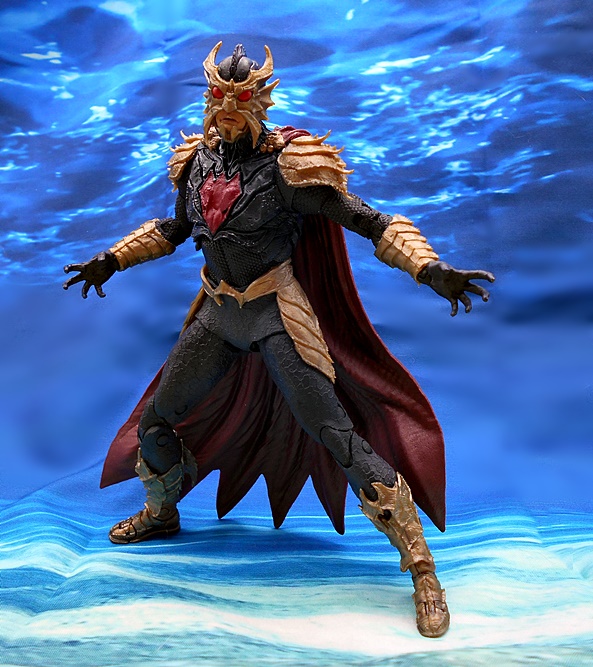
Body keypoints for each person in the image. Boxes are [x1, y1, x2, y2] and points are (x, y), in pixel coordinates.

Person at [63, 42, 494, 638]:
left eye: (239, 99)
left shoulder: (291, 169)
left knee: (336, 434)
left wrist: (430, 269)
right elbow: (176, 228)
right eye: (217, 98)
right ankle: (161, 513)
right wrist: (113, 259)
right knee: (158, 419)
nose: (226, 110)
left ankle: (422, 571)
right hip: (218, 314)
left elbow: (368, 221)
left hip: (275, 312)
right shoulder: (196, 164)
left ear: (260, 102)